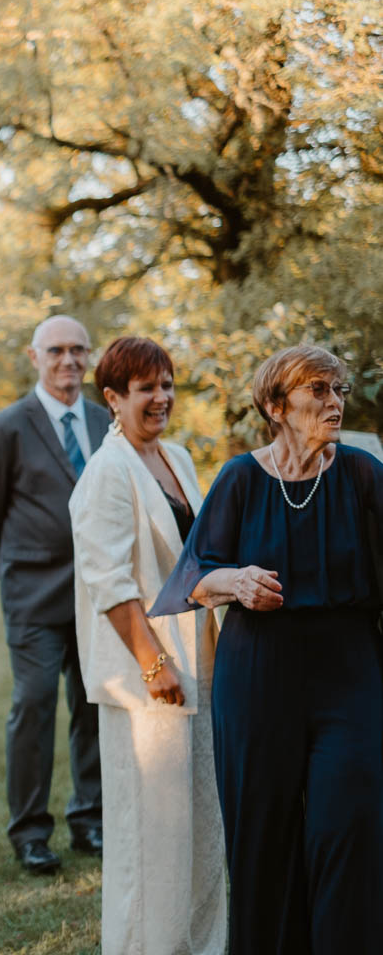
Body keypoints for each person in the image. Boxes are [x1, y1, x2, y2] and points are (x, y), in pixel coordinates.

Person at [150, 344, 383, 952]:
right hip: (257, 678)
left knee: (350, 831)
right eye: (319, 391)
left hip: (350, 675)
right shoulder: (239, 478)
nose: (335, 404)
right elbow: (193, 576)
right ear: (277, 406)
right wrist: (237, 581)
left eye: (339, 391)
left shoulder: (362, 474)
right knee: (262, 841)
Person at [69, 338, 226, 955]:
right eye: (145, 389)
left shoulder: (179, 458)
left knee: (201, 832)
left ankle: (205, 945)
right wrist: (154, 664)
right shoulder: (106, 472)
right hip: (147, 678)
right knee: (153, 839)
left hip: (200, 661)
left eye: (167, 385)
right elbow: (107, 583)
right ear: (112, 398)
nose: (160, 398)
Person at [0, 314, 109, 874]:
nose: (68, 361)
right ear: (34, 357)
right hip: (33, 596)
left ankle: (90, 817)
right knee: (32, 707)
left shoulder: (105, 421)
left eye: (79, 350)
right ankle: (29, 831)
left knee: (93, 706)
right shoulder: (5, 427)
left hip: (98, 594)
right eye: (56, 351)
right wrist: (16, 571)